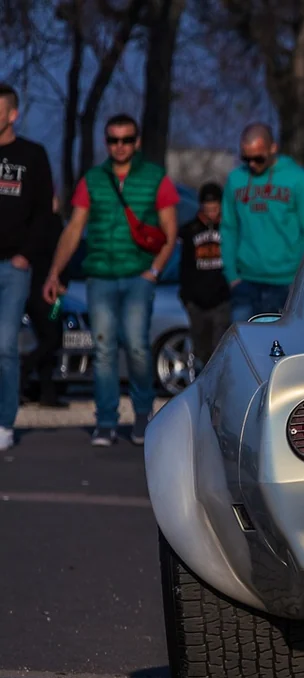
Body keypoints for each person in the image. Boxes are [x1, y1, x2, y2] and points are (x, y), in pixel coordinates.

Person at [43, 112, 179, 447]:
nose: (119, 146)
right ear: (107, 142)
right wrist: (55, 271)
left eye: (126, 140)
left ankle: (143, 416)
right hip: (100, 276)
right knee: (103, 349)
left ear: (137, 142)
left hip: (138, 277)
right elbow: (75, 228)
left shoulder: (155, 177)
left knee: (136, 346)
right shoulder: (92, 179)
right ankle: (105, 421)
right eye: (113, 140)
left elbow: (170, 230)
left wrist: (153, 272)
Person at [0, 83, 56, 450]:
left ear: (12, 114)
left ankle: (4, 423)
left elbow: (44, 214)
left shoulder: (32, 156)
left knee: (4, 345)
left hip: (14, 267)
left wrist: (26, 255)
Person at [221, 123, 304, 321]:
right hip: (246, 281)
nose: (252, 164)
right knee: (245, 348)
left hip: (287, 283)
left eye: (258, 158)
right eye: (246, 158)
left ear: (273, 148)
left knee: (282, 348)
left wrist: (301, 278)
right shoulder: (236, 179)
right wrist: (232, 276)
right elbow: (229, 227)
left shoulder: (298, 179)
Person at [21, 194, 67, 408]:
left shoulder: (28, 224)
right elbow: (61, 254)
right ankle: (25, 369)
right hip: (49, 293)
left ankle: (47, 393)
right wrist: (61, 281)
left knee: (46, 338)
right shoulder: (53, 223)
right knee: (53, 338)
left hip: (30, 290)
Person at [179, 182, 230, 368]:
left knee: (220, 350)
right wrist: (187, 297)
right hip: (197, 302)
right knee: (201, 352)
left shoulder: (228, 228)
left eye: (215, 208)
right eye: (207, 208)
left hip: (222, 300)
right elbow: (184, 267)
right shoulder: (189, 231)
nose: (211, 212)